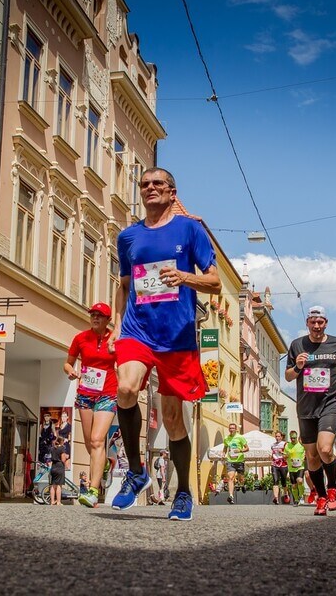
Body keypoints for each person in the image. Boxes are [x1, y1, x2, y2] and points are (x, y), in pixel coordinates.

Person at [108, 167, 221, 522]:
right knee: (124, 389)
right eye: (145, 184)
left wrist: (184, 276)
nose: (150, 188)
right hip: (136, 330)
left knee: (173, 420)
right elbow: (125, 284)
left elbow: (215, 282)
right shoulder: (128, 237)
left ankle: (183, 493)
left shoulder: (190, 230)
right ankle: (137, 472)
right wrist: (116, 324)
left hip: (177, 336)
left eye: (158, 183)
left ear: (172, 192)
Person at [285, 305, 336, 516]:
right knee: (312, 456)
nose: (317, 326)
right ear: (307, 323)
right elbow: (288, 376)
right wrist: (298, 366)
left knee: (325, 448)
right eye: (313, 322)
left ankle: (332, 489)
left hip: (330, 402)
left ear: (326, 323)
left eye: (320, 322)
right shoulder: (297, 345)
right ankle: (322, 496)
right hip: (306, 406)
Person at [66, 301, 119, 508]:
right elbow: (67, 362)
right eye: (93, 314)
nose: (95, 317)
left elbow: (123, 363)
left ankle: (94, 490)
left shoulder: (115, 339)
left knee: (98, 440)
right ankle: (103, 464)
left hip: (107, 393)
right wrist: (69, 370)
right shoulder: (80, 338)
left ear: (108, 320)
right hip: (86, 394)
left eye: (100, 315)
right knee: (90, 444)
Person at [222, 423, 249, 504]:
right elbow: (225, 447)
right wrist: (223, 453)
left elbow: (247, 448)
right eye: (230, 428)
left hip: (240, 461)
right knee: (230, 477)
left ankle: (243, 484)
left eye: (233, 428)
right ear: (228, 429)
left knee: (241, 478)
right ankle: (231, 496)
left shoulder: (240, 437)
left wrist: (240, 450)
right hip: (230, 460)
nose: (231, 429)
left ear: (236, 429)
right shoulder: (226, 438)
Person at [284, 430, 306, 507]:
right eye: (291, 438)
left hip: (300, 466)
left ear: (296, 437)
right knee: (293, 485)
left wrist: (304, 458)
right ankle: (296, 500)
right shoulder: (287, 446)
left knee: (299, 480)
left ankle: (301, 494)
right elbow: (284, 457)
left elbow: (306, 452)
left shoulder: (301, 445)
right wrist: (286, 456)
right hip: (291, 468)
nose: (293, 439)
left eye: (294, 438)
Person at [270, 431, 289, 504]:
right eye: (276, 436)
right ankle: (276, 498)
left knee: (284, 481)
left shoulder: (285, 444)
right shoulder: (273, 445)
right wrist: (271, 457)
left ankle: (285, 494)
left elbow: (288, 455)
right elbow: (273, 453)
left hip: (283, 464)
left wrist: (282, 452)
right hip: (275, 464)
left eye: (278, 436)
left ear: (282, 437)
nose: (277, 438)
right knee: (275, 480)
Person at [49, 437, 68, 506]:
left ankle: (52, 501)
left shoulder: (52, 448)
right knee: (59, 485)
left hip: (53, 466)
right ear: (61, 441)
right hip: (59, 466)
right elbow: (63, 459)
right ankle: (58, 502)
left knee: (53, 485)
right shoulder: (61, 448)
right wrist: (66, 458)